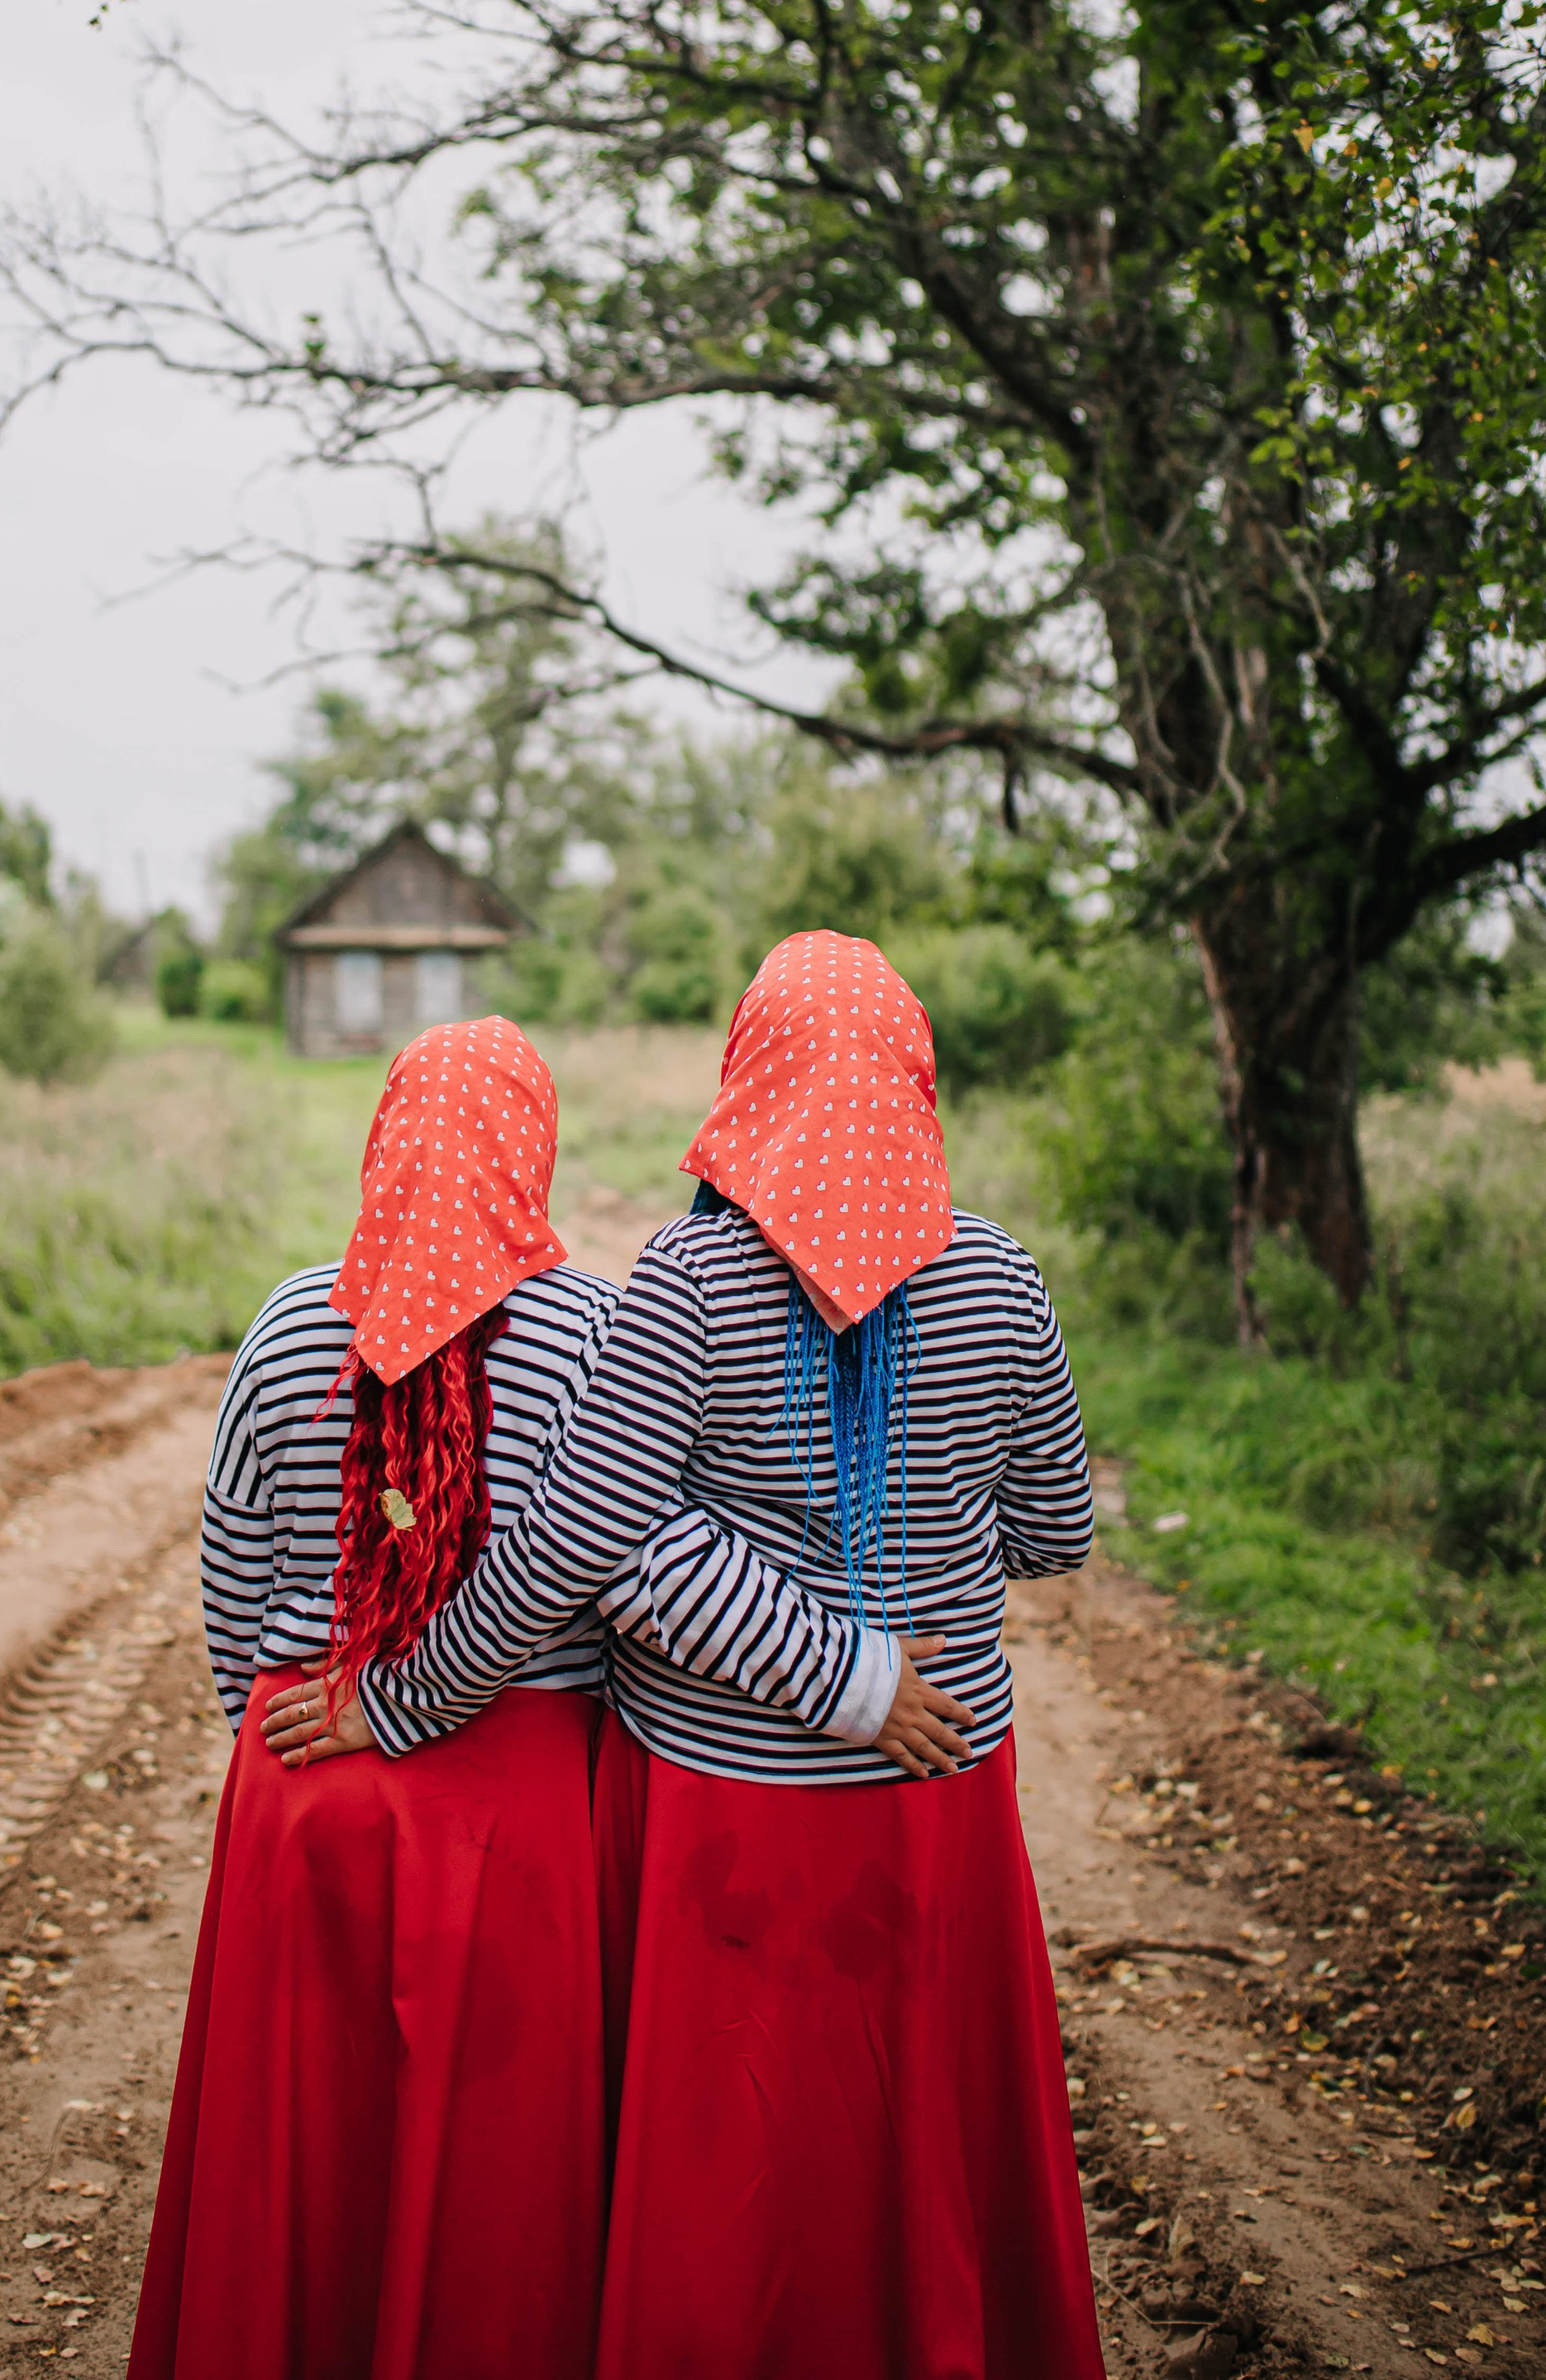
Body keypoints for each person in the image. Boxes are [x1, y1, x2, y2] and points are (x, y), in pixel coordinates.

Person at [272, 935, 1105, 2380]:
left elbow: (588, 1546)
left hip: (723, 1809)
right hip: (938, 1796)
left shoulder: (689, 1280)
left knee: (736, 2181)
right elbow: (1053, 1533)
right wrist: (877, 1634)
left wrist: (402, 1700)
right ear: (914, 1085)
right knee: (914, 2147)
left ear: (752, 1075)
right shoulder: (1001, 1279)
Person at [131, 1009, 973, 2380]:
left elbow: (232, 1579)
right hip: (513, 1821)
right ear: (531, 1154)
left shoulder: (290, 1323)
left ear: (384, 1142)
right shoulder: (591, 1325)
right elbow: (613, 1571)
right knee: (495, 2197)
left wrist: (273, 1738)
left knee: (298, 2165)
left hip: (301, 1788)